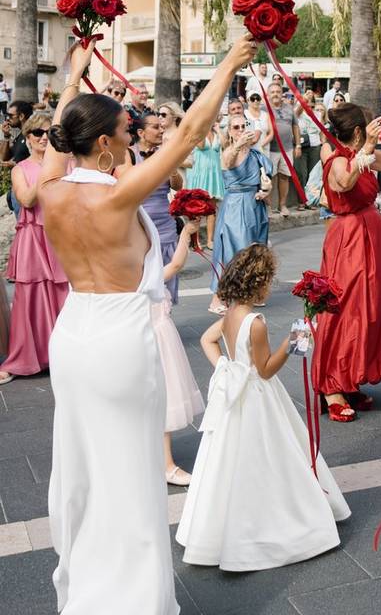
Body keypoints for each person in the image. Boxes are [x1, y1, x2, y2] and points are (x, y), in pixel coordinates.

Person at [40, 35, 256, 614]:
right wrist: (229, 64)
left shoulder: (48, 191)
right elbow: (187, 135)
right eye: (129, 132)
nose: (137, 137)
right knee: (133, 471)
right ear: (106, 145)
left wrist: (71, 79)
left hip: (73, 334)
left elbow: (64, 141)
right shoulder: (118, 195)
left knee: (83, 464)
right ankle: (134, 600)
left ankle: (88, 586)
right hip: (119, 339)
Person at [178, 244, 350, 569]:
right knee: (271, 456)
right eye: (268, 279)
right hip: (258, 397)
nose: (270, 286)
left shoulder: (230, 314)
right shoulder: (255, 322)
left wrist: (225, 368)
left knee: (231, 461)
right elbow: (266, 369)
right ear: (257, 282)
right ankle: (278, 523)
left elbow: (207, 340)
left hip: (236, 395)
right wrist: (291, 342)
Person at [313, 103, 381, 422]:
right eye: (368, 129)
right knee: (347, 311)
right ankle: (332, 386)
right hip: (349, 240)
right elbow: (343, 183)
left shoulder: (366, 155)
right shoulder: (336, 159)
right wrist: (367, 148)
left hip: (374, 237)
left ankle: (351, 376)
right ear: (358, 132)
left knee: (374, 307)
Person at [0, 114, 68, 385]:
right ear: (27, 138)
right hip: (32, 237)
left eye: (47, 132)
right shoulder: (21, 169)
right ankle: (27, 357)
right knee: (31, 298)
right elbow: (27, 200)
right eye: (37, 132)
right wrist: (47, 171)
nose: (43, 137)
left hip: (60, 236)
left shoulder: (67, 164)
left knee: (62, 295)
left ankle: (63, 355)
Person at [154, 219, 205, 486]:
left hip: (137, 331)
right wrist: (185, 233)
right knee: (162, 398)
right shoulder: (139, 268)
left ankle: (156, 462)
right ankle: (166, 465)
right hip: (152, 336)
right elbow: (173, 266)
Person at [208, 115, 271, 315]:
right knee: (232, 250)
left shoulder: (255, 153)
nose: (241, 129)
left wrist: (266, 190)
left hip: (255, 204)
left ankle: (251, 292)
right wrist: (238, 145)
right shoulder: (228, 152)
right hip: (235, 205)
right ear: (229, 131)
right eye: (236, 127)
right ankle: (218, 298)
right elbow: (227, 162)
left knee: (256, 249)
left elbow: (265, 178)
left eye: (244, 126)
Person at [134, 112, 182, 303]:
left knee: (166, 277)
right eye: (155, 127)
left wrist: (171, 167)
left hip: (164, 221)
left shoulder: (165, 153)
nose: (161, 130)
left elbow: (177, 186)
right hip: (139, 224)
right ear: (141, 132)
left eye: (161, 126)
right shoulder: (130, 154)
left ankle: (164, 319)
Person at [186, 122, 224, 249]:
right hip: (200, 174)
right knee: (197, 209)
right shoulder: (198, 132)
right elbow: (201, 145)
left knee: (211, 209)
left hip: (213, 174)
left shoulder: (217, 131)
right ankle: (195, 241)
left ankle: (210, 240)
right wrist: (203, 127)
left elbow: (225, 145)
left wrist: (219, 130)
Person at [266, 83, 300, 216]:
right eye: (272, 91)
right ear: (268, 94)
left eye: (278, 91)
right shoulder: (264, 108)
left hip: (287, 149)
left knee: (284, 177)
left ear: (282, 93)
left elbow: (295, 127)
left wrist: (298, 145)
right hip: (270, 150)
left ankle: (282, 206)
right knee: (270, 178)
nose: (275, 94)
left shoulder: (289, 108)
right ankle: (268, 207)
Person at [295, 89, 322, 208]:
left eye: (311, 104)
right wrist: (304, 99)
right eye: (307, 103)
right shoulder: (299, 113)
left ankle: (312, 199)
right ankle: (302, 200)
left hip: (315, 146)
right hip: (301, 146)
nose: (309, 106)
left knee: (314, 175)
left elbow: (321, 132)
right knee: (301, 173)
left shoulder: (318, 114)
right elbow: (297, 111)